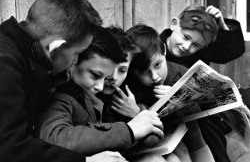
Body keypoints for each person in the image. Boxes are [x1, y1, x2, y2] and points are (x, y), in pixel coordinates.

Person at [0, 0, 127, 162]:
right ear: (55, 48)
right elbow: (10, 149)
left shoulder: (23, 56)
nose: (75, 61)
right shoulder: (5, 65)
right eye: (77, 53)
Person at [37, 27, 164, 160]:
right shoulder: (62, 96)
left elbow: (152, 136)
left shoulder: (117, 96)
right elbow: (53, 138)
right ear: (73, 62)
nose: (102, 85)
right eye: (96, 75)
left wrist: (137, 115)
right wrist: (128, 130)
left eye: (122, 70)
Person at [124, 24, 216, 161]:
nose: (155, 76)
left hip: (184, 139)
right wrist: (138, 112)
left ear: (164, 52)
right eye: (143, 72)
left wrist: (184, 97)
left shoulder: (182, 75)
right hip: (146, 146)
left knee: (190, 134)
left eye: (158, 65)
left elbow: (210, 103)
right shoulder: (128, 87)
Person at [160, 5, 245, 68]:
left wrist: (222, 26)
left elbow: (234, 50)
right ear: (174, 24)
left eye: (196, 45)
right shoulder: (151, 46)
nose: (186, 47)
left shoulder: (200, 53)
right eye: (186, 37)